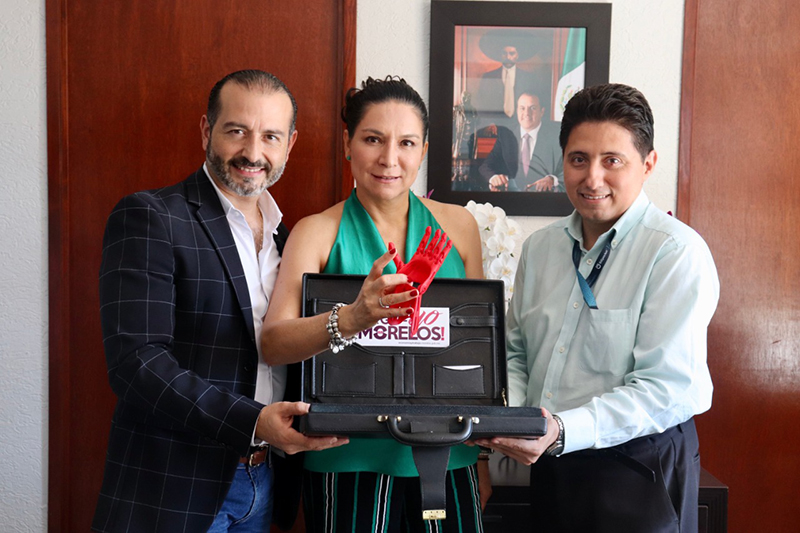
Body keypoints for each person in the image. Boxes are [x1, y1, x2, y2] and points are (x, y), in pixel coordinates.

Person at [92, 70, 346, 533]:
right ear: (207, 130)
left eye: (270, 136)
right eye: (237, 131)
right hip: (172, 488)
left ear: (290, 144)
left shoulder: (290, 242)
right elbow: (136, 364)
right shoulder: (151, 217)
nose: (253, 152)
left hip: (267, 481)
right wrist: (252, 421)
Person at [474, 83, 719, 532]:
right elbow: (516, 352)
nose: (592, 178)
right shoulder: (540, 248)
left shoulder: (675, 252)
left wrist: (562, 430)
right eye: (578, 159)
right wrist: (518, 422)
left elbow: (666, 388)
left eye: (612, 161)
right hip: (551, 462)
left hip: (640, 468)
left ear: (648, 164)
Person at [262, 76, 489, 532]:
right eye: (372, 139)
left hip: (447, 451)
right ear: (348, 145)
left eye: (406, 143)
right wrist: (351, 318)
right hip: (345, 454)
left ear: (423, 151)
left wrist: (481, 458)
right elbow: (273, 343)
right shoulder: (316, 231)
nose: (389, 158)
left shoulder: (459, 226)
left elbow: (478, 352)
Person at [478, 91, 563, 192]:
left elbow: (569, 169)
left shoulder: (557, 135)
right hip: (512, 198)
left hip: (545, 198)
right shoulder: (506, 134)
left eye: (533, 108)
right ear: (517, 111)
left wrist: (552, 179)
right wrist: (494, 177)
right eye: (522, 108)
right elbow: (486, 166)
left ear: (542, 112)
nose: (527, 113)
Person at [475, 30, 540, 132]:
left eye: (512, 53)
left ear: (517, 55)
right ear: (500, 55)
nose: (508, 57)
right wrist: (489, 123)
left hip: (521, 127)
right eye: (504, 53)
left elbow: (535, 104)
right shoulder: (488, 77)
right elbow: (482, 104)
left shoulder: (529, 78)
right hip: (495, 127)